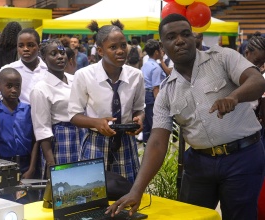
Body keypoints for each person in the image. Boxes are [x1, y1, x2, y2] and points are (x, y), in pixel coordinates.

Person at [107, 14, 265, 220]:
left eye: (185, 34)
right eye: (171, 37)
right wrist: (137, 190)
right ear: (162, 46)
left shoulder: (223, 57)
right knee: (189, 215)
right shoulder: (166, 91)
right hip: (200, 163)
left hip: (242, 157)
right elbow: (156, 142)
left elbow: (256, 81)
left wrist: (234, 97)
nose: (180, 40)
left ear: (194, 37)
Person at [68, 20, 145, 183]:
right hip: (96, 143)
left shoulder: (136, 76)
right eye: (113, 47)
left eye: (123, 45)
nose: (120, 51)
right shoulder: (84, 75)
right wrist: (96, 123)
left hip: (126, 142)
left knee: (128, 193)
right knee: (92, 193)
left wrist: (139, 119)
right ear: (101, 51)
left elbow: (139, 109)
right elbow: (74, 116)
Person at [30, 39, 84, 177]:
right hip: (61, 140)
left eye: (62, 53)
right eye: (53, 54)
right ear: (44, 59)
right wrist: (50, 163)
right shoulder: (41, 89)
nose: (60, 57)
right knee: (65, 185)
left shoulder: (75, 79)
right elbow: (42, 128)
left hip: (82, 135)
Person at [0, 67, 39, 203]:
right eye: (9, 86)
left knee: (27, 204)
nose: (14, 90)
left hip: (25, 165)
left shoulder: (28, 110)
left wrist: (32, 168)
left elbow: (35, 140)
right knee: (3, 204)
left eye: (17, 86)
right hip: (2, 167)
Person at [0, 28, 48, 104]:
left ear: (39, 47)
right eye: (21, 46)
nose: (26, 49)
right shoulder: (6, 71)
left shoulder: (49, 70)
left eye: (30, 45)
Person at [244, 33, 265, 220]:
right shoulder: (232, 73)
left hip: (252, 136)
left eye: (262, 63)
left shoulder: (257, 75)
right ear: (247, 53)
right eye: (257, 60)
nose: (259, 66)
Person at [141, 39, 166, 144]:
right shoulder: (156, 67)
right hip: (152, 96)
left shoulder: (146, 64)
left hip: (144, 95)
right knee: (153, 124)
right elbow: (156, 88)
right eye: (160, 50)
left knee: (147, 123)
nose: (162, 52)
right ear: (156, 52)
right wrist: (159, 104)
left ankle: (146, 145)